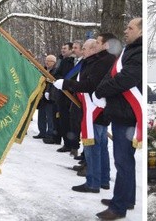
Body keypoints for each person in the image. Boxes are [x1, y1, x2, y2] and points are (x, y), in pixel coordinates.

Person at [94, 18, 143, 220]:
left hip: (127, 114)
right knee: (126, 161)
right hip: (121, 112)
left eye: (130, 28)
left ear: (141, 31)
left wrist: (102, 90)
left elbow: (126, 78)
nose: (125, 30)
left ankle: (118, 206)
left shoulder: (139, 52)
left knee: (122, 161)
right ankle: (127, 198)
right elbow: (111, 74)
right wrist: (102, 88)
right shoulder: (129, 50)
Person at [56, 37, 116, 193]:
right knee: (100, 146)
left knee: (93, 147)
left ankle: (93, 182)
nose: (83, 50)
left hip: (96, 110)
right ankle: (102, 180)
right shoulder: (99, 60)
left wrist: (66, 84)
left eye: (86, 47)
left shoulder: (102, 62)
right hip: (96, 110)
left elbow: (90, 85)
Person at [34, 55, 57, 142]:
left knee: (50, 116)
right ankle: (42, 132)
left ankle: (50, 133)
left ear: (54, 62)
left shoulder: (55, 71)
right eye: (46, 60)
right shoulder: (43, 70)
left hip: (50, 97)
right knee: (41, 115)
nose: (47, 62)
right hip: (42, 96)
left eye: (49, 61)